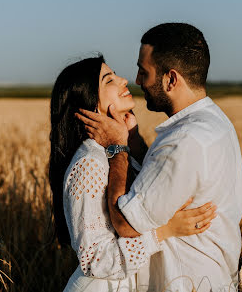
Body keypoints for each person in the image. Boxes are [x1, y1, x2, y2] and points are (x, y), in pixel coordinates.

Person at [77, 23, 242, 292]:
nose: (137, 80)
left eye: (144, 72)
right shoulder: (213, 122)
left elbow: (125, 223)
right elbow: (161, 178)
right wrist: (134, 141)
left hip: (186, 282)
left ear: (171, 79)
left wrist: (117, 147)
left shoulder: (184, 141)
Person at [49, 55, 218, 292]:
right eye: (109, 80)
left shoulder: (112, 153)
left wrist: (131, 140)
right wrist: (164, 231)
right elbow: (95, 260)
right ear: (90, 103)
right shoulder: (89, 163)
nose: (123, 80)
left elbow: (148, 191)